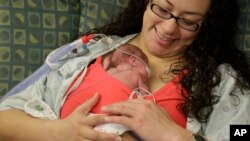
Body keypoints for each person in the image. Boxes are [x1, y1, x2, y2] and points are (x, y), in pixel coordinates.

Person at [0, 0, 250, 141]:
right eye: (162, 9)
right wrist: (60, 133)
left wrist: (172, 137)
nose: (169, 29)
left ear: (206, 26)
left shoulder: (225, 83)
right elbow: (4, 120)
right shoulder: (86, 53)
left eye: (188, 21)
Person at [60, 44, 151, 138]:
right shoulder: (138, 75)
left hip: (73, 113)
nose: (148, 74)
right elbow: (145, 96)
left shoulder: (109, 69)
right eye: (146, 65)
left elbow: (105, 61)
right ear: (133, 61)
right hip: (102, 120)